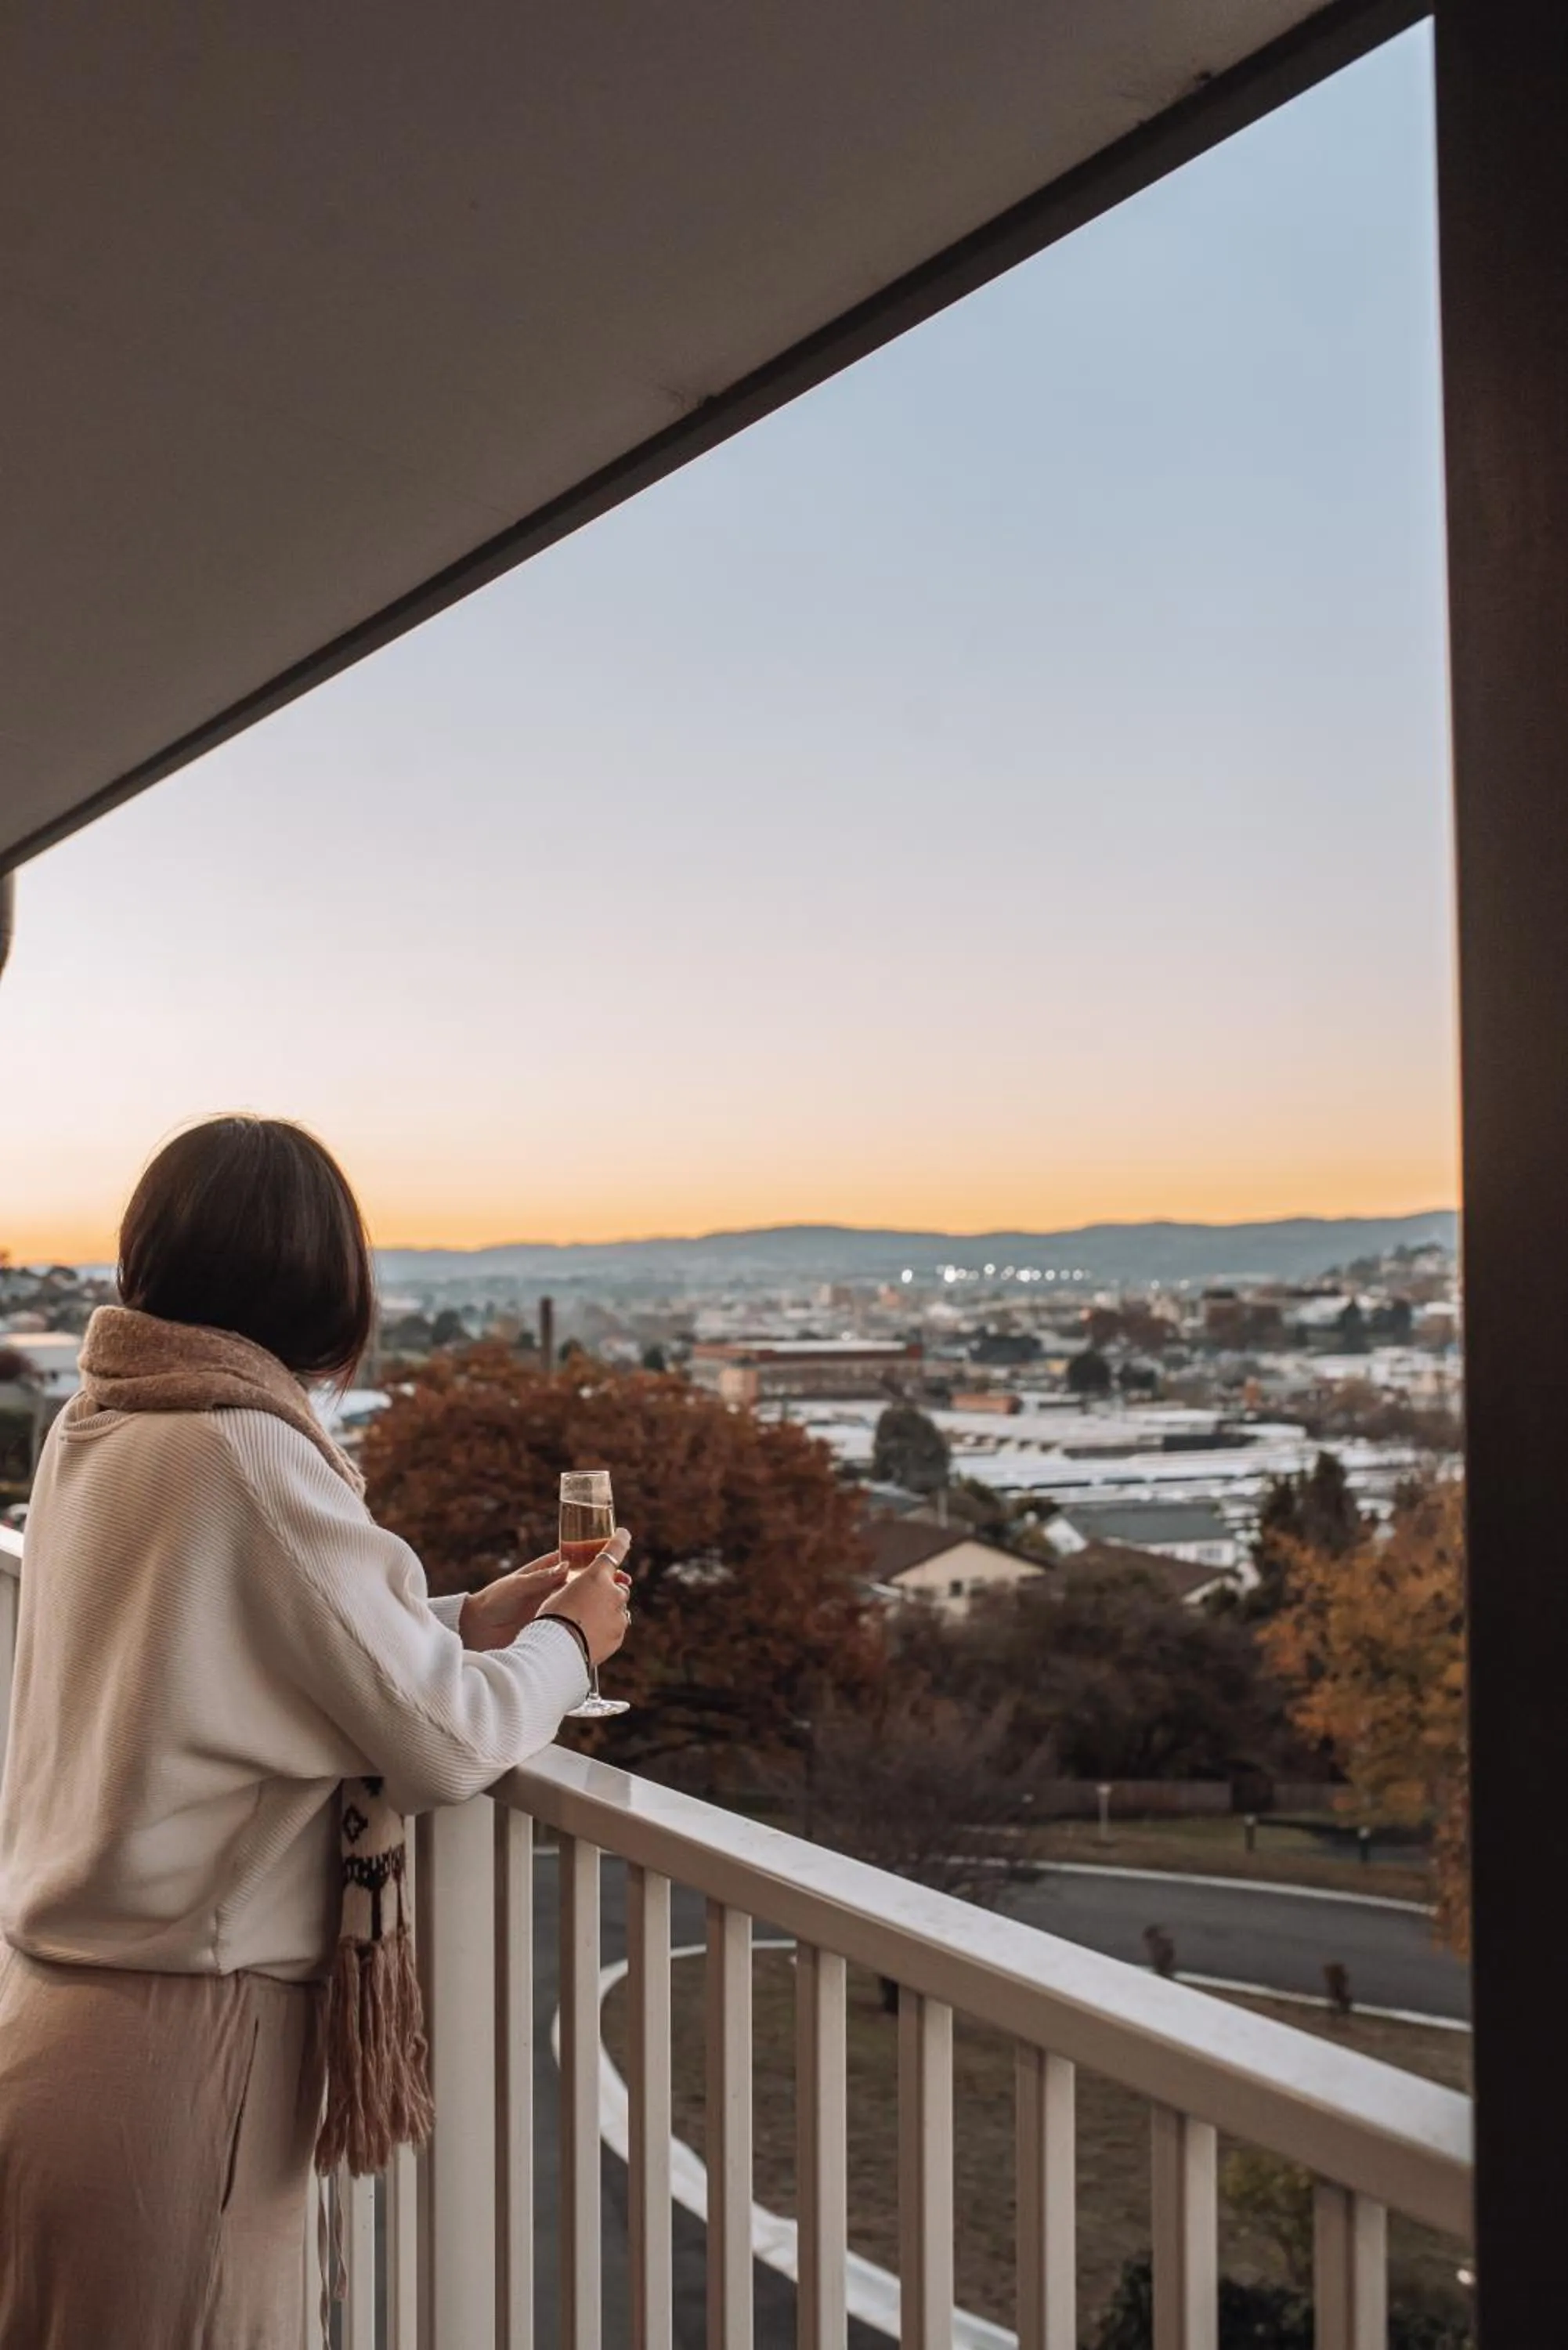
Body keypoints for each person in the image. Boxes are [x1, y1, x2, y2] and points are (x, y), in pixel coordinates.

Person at [0, 1115, 630, 2347]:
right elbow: (441, 1743)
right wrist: (573, 1645)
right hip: (183, 2044)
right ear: (319, 1280)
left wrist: (458, 1614)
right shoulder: (245, 1451)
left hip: (54, 2017)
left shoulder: (100, 1425)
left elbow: (230, 1651)